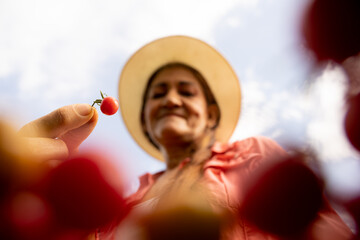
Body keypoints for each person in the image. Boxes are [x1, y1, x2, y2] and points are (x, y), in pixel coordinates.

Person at [14, 36, 353, 239]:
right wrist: (62, 209)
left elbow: (320, 228)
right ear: (148, 121)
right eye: (158, 93)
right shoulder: (121, 208)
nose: (171, 100)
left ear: (211, 114)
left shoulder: (255, 156)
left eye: (186, 91)